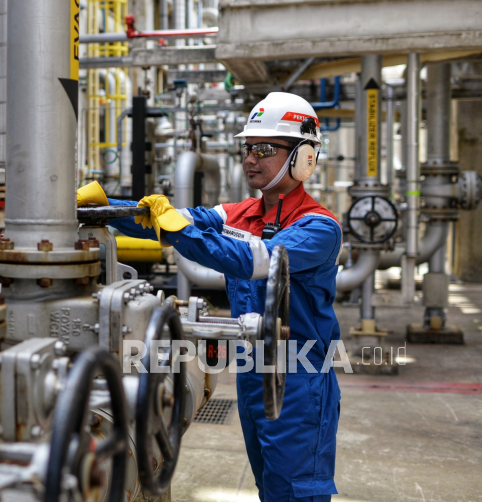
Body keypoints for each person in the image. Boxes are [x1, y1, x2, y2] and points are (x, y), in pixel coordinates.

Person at [77, 92, 342, 501]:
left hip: (300, 381)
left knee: (297, 491)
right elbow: (171, 220)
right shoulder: (240, 213)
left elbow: (253, 260)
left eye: (265, 149)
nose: (251, 159)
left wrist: (176, 227)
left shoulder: (319, 228)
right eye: (248, 148)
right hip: (255, 374)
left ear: (305, 156)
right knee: (270, 486)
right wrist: (104, 209)